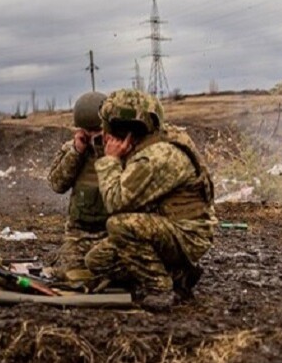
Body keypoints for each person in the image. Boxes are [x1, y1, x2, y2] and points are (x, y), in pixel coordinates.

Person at [84, 89, 217, 310]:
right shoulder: (151, 143)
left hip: (188, 234)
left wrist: (110, 160)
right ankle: (178, 274)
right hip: (170, 226)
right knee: (97, 261)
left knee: (120, 226)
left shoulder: (156, 157)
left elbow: (115, 202)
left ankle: (160, 287)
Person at [46, 91, 109, 283]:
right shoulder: (71, 149)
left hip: (111, 232)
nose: (92, 136)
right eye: (87, 131)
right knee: (70, 275)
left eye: (96, 130)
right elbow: (56, 184)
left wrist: (105, 151)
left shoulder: (120, 149)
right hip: (79, 234)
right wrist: (76, 152)